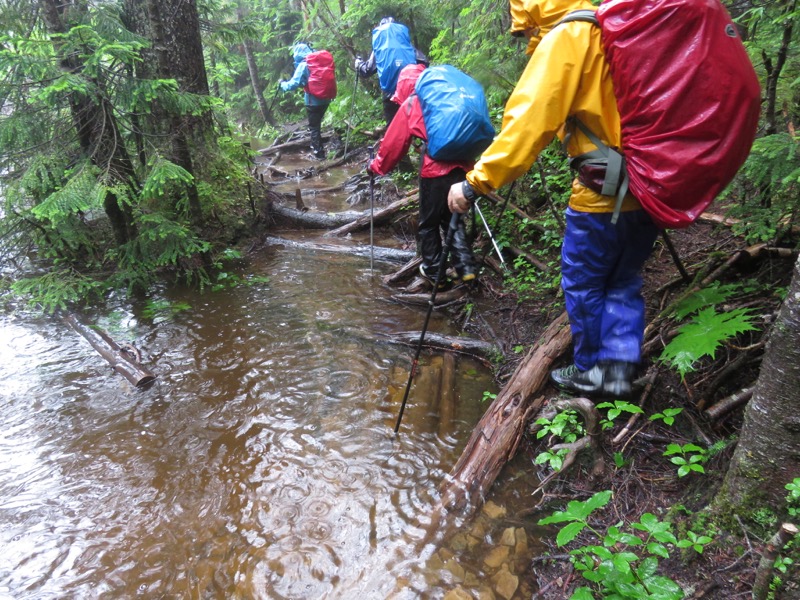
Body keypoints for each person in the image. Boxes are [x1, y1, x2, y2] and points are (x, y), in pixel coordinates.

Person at [447, 0, 660, 398]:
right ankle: (618, 369)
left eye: (525, 28)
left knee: (584, 282)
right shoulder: (615, 25)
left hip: (601, 193)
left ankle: (592, 373)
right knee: (624, 280)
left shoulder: (568, 36)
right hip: (651, 184)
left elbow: (527, 124)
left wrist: (475, 183)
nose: (526, 37)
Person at [369, 63, 477, 288]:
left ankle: (435, 273)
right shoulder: (448, 101)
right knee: (452, 217)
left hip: (435, 170)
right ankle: (465, 267)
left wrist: (376, 167)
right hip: (466, 167)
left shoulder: (412, 104)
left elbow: (393, 145)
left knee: (428, 223)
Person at [355, 17, 429, 125]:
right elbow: (424, 62)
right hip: (410, 91)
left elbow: (367, 70)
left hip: (390, 94)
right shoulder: (406, 45)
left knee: (393, 128)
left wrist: (358, 64)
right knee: (415, 124)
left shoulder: (380, 48)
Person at [280, 42, 334, 159]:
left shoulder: (304, 65)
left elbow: (294, 84)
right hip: (326, 99)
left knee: (314, 128)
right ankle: (319, 150)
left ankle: (319, 155)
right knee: (317, 125)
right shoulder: (319, 62)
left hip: (312, 102)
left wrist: (282, 85)